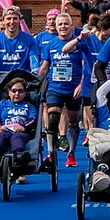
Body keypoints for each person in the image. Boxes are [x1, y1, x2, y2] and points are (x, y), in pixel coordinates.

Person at [39, 11, 89, 169]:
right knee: (53, 118)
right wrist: (36, 82)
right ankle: (51, 153)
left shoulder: (78, 45)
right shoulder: (50, 45)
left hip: (73, 89)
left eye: (66, 24)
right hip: (55, 87)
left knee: (73, 121)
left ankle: (71, 153)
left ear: (72, 27)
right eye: (59, 24)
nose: (62, 27)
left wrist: (81, 85)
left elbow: (85, 66)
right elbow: (45, 67)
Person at [0, 7, 41, 84]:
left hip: (22, 81)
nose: (12, 22)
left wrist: (35, 73)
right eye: (8, 18)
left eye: (15, 18)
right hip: (2, 80)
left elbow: (34, 61)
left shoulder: (29, 39)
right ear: (3, 20)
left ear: (20, 20)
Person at [0, 77, 38, 161]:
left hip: (22, 132)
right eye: (14, 91)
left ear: (25, 93)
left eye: (20, 91)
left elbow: (33, 119)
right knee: (1, 136)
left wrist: (24, 127)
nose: (17, 94)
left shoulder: (29, 106)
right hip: (5, 130)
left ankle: (20, 155)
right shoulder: (1, 105)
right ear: (8, 92)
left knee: (16, 137)